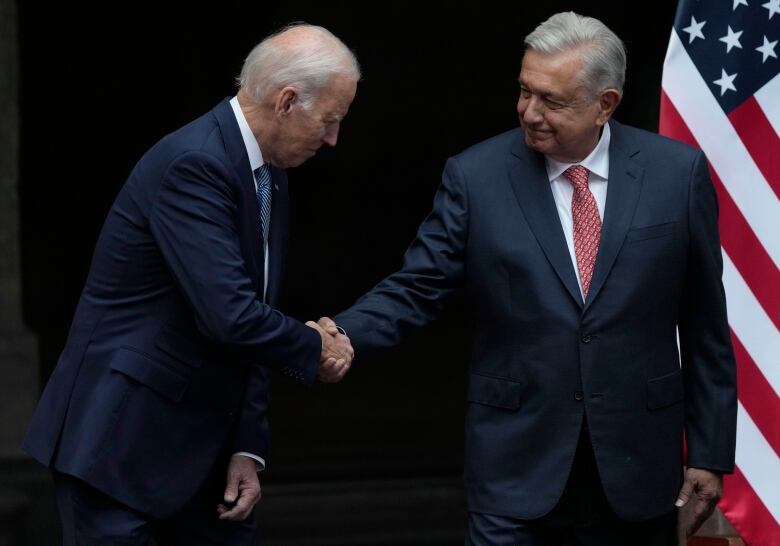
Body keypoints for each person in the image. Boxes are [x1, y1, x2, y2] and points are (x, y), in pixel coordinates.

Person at [323, 12, 737, 546]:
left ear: (604, 104)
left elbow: (705, 323)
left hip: (637, 468)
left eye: (553, 101)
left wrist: (708, 451)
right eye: (524, 91)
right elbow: (418, 286)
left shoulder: (676, 175)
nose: (529, 112)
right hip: (515, 468)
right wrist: (341, 334)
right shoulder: (476, 176)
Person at [23, 23, 357, 545]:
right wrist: (315, 346)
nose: (333, 138)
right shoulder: (195, 164)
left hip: (207, 457)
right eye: (330, 119)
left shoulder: (269, 173)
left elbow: (252, 316)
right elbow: (232, 316)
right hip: (121, 450)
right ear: (288, 101)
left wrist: (247, 445)